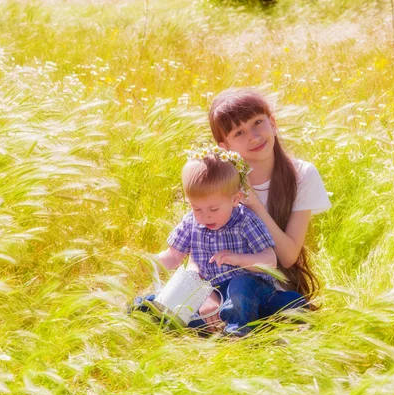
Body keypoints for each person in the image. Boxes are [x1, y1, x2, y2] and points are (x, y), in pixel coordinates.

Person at [197, 87, 332, 328]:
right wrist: (205, 296)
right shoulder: (221, 181)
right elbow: (199, 243)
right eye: (239, 132)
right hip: (223, 287)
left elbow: (288, 256)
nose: (254, 136)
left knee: (293, 311)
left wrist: (256, 206)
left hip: (275, 287)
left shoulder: (302, 175)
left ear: (272, 121)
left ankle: (242, 324)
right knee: (168, 314)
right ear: (225, 146)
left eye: (258, 122)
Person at [131, 146, 280, 336]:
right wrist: (148, 261)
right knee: (171, 303)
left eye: (214, 209)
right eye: (196, 208)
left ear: (236, 199)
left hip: (250, 289)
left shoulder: (245, 221)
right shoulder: (191, 222)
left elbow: (270, 261)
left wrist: (238, 259)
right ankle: (150, 314)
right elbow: (173, 256)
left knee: (239, 287)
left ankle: (237, 332)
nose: (205, 217)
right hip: (208, 291)